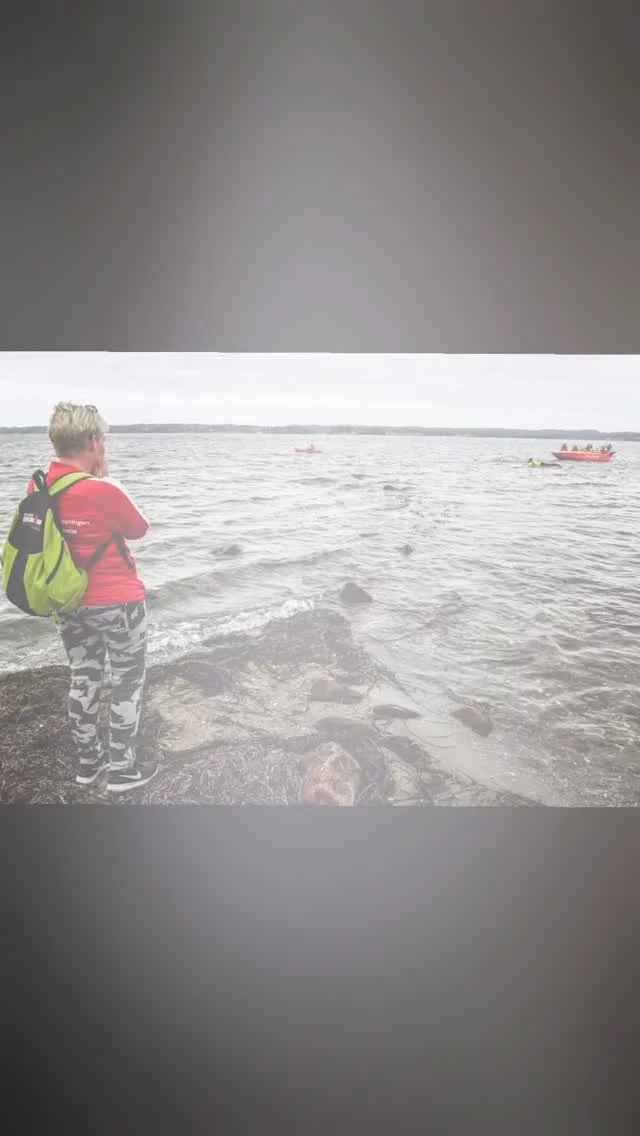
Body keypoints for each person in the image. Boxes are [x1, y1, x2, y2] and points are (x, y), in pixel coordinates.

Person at [29, 403, 157, 793]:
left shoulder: (40, 487)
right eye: (102, 439)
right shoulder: (104, 489)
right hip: (118, 603)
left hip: (68, 603)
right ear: (93, 442)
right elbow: (139, 528)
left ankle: (89, 764)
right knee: (127, 681)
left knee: (83, 678)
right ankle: (122, 769)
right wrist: (104, 475)